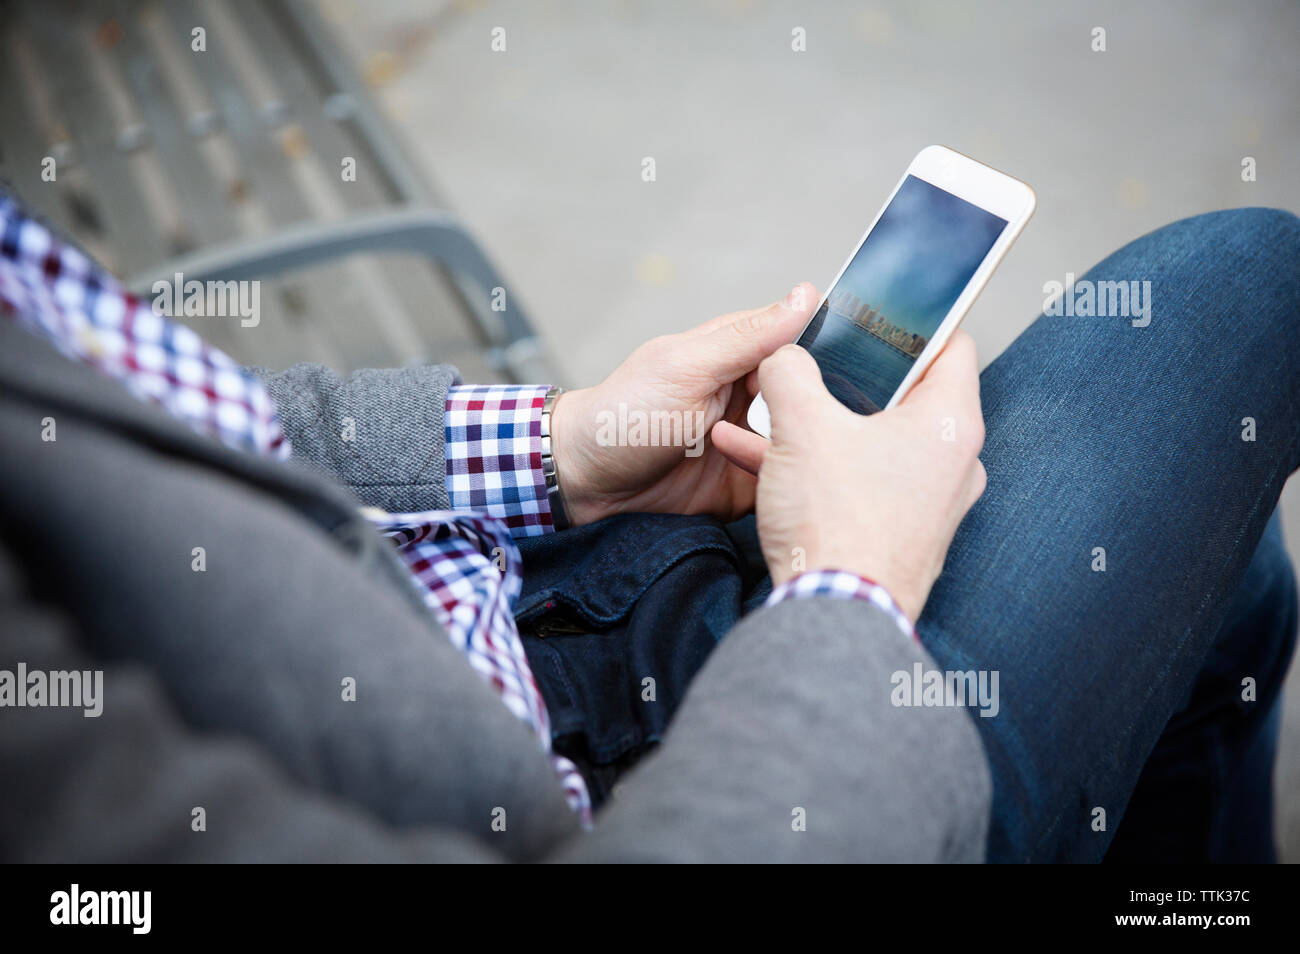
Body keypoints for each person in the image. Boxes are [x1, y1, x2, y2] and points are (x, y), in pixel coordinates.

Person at [0, 182, 1295, 861]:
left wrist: (562, 448)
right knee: (1245, 279)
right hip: (721, 788)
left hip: (522, 582)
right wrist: (850, 579)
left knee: (1222, 582)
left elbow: (209, 425)